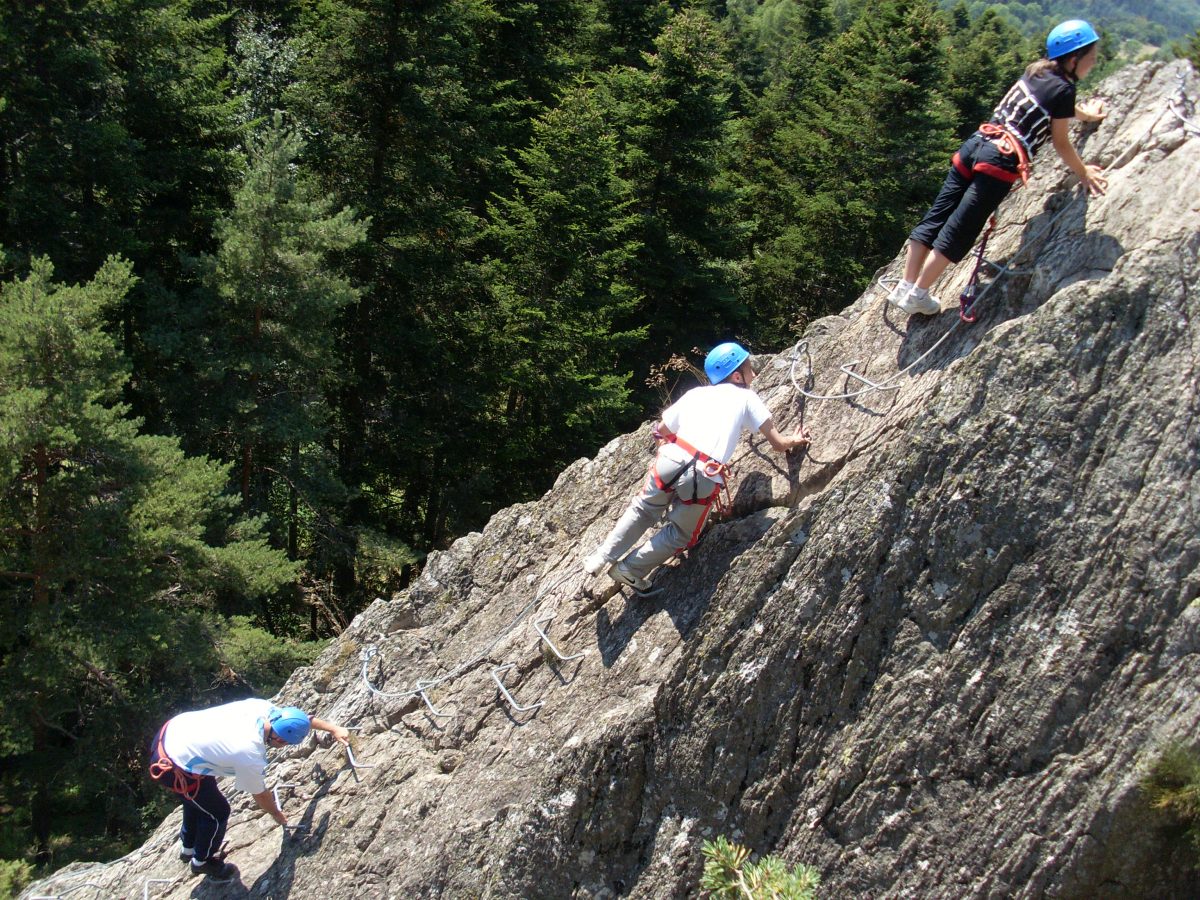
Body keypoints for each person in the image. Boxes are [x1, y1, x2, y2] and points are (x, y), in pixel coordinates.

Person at [890, 19, 1109, 316]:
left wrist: (1086, 116)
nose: (1093, 63)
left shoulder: (1037, 71)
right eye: (1091, 58)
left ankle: (904, 286)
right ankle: (918, 294)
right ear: (1074, 59)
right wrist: (1083, 173)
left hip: (976, 144)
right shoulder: (1064, 89)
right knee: (960, 228)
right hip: (1000, 161)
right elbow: (1060, 141)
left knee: (938, 214)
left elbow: (1060, 109)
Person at [583, 342, 810, 593]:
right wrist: (796, 439)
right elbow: (778, 444)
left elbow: (661, 430)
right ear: (736, 375)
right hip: (701, 473)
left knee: (643, 510)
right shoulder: (747, 397)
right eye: (748, 369)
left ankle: (601, 556)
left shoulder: (696, 394)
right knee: (681, 534)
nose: (754, 374)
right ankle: (630, 569)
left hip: (671, 458)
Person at [148, 699, 350, 880]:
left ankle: (188, 847)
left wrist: (333, 728)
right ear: (279, 740)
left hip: (174, 734)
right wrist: (277, 814)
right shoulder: (249, 754)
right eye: (286, 744)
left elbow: (299, 721)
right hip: (173, 765)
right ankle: (202, 861)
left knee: (196, 801)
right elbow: (260, 795)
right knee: (217, 813)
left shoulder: (263, 708)